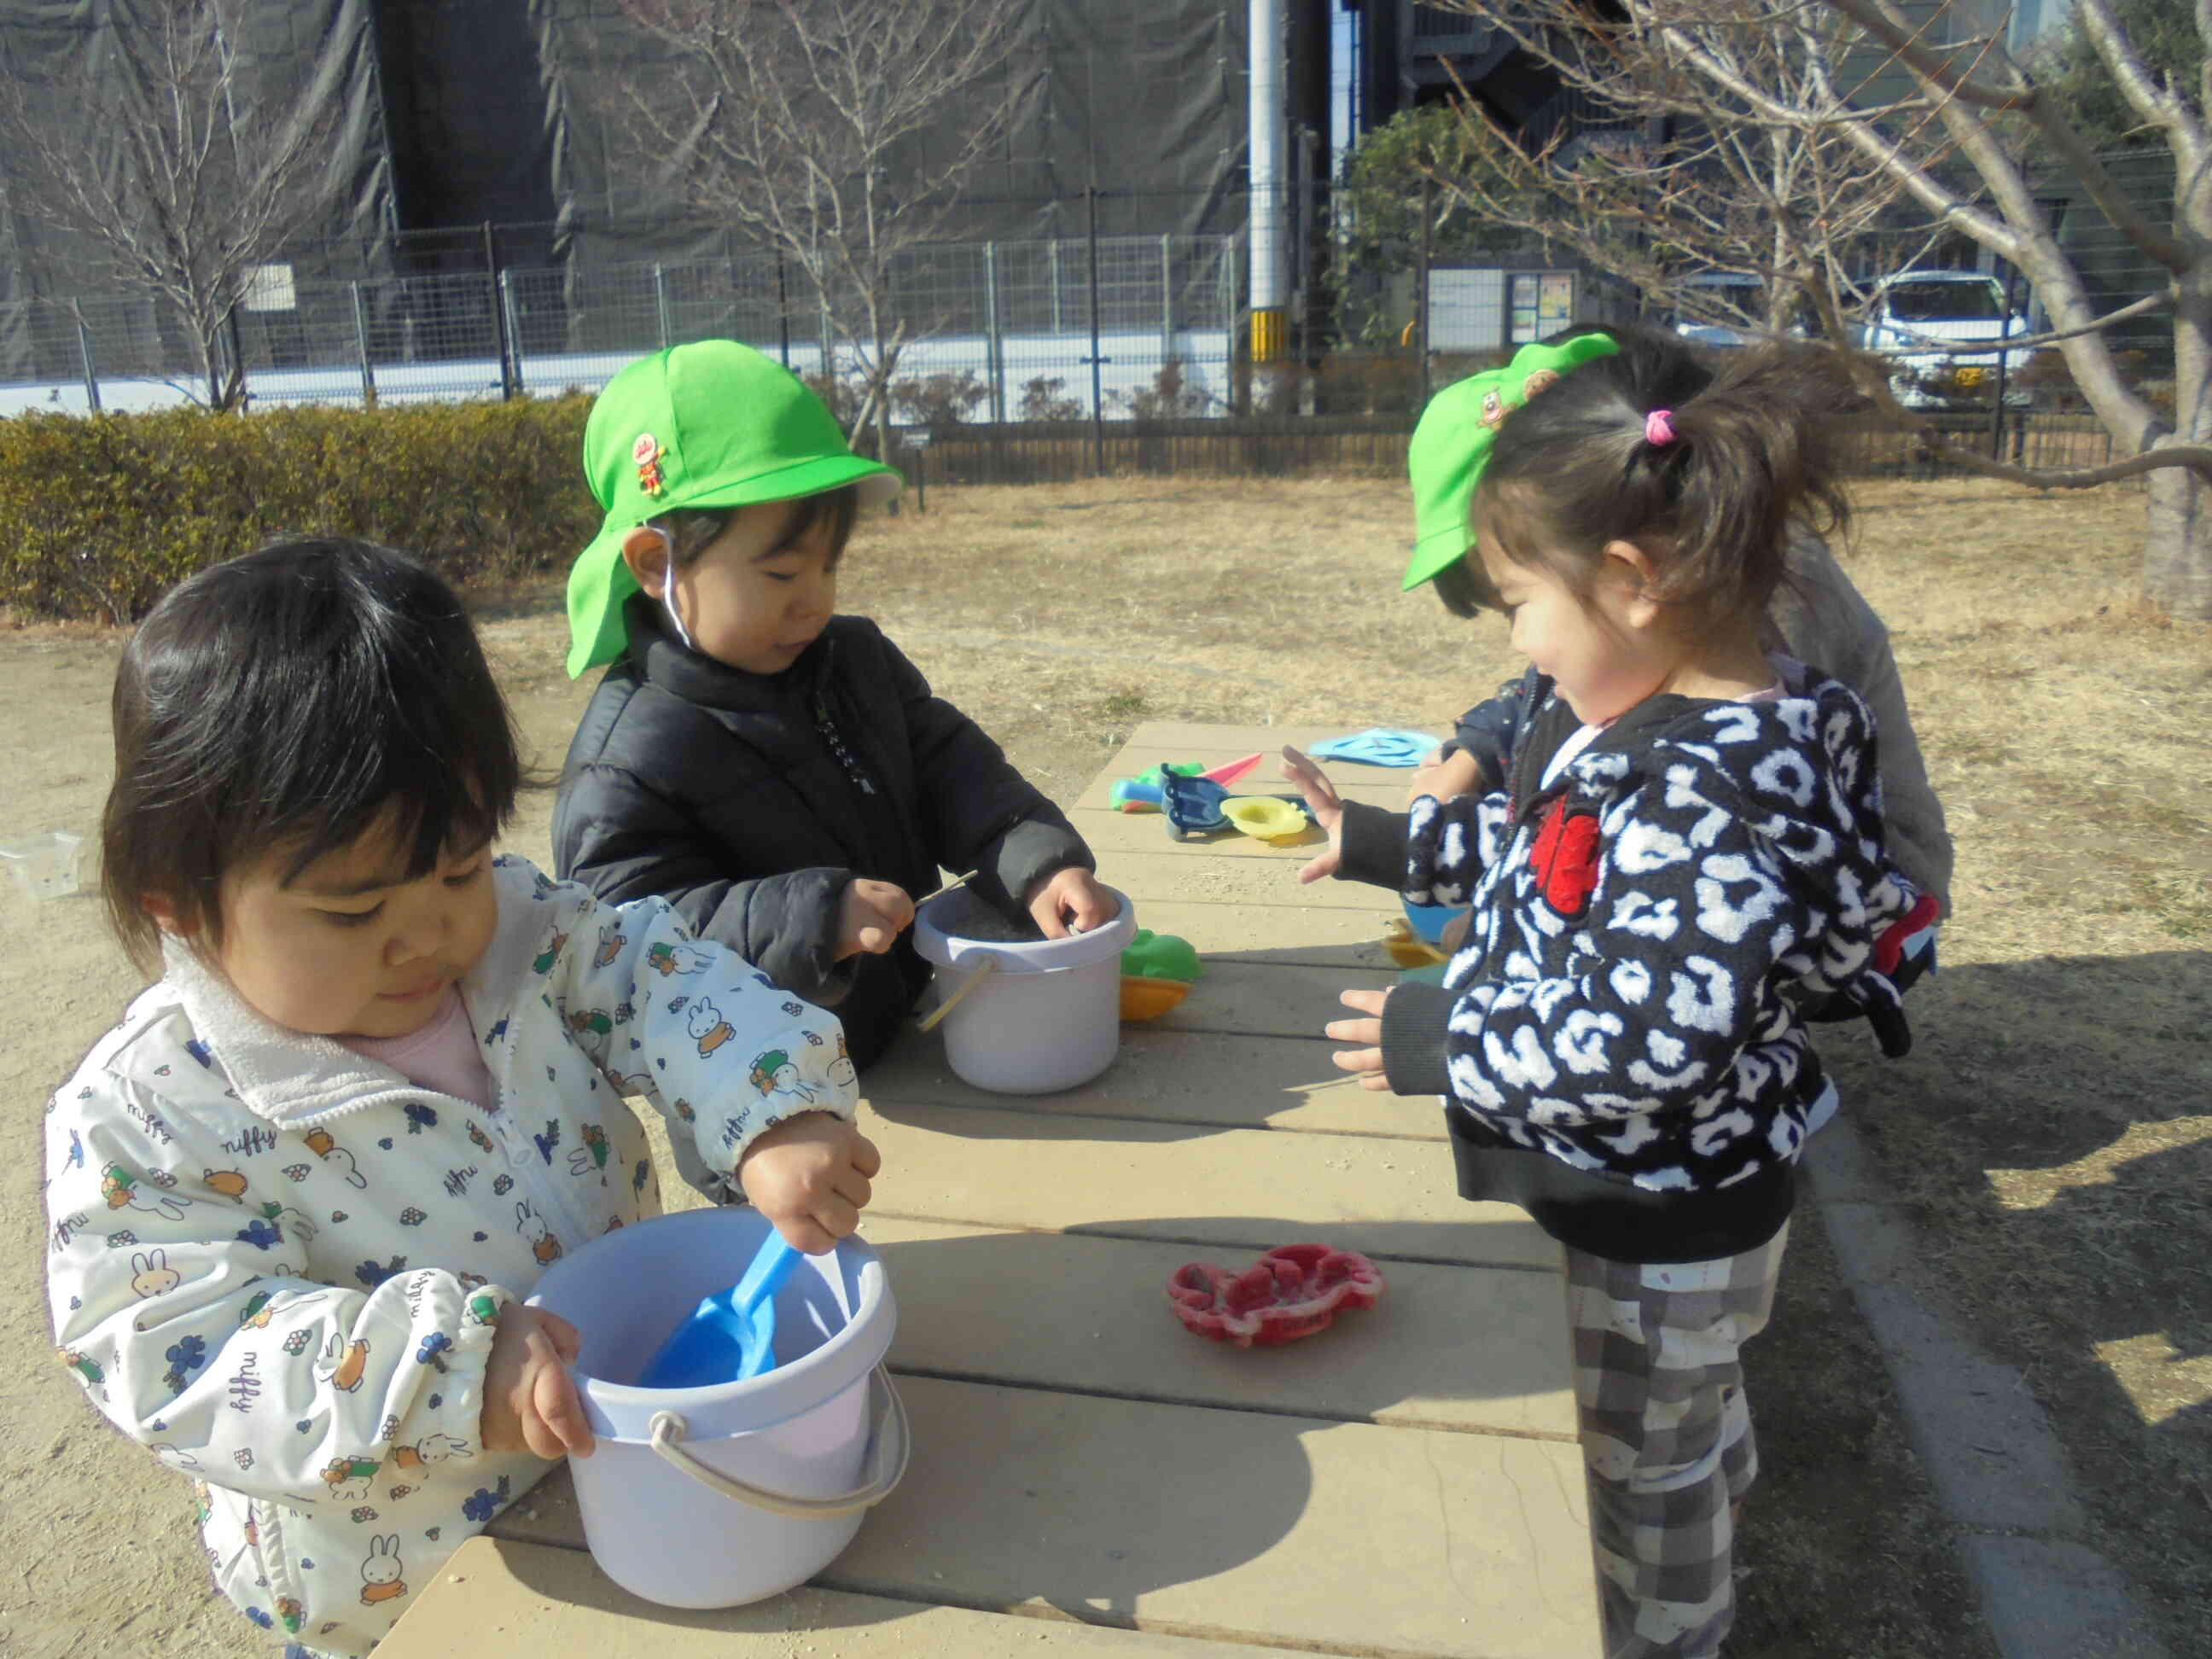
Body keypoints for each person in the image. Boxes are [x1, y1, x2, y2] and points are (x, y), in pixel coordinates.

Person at [44, 538, 877, 1659]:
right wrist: (449, 1373)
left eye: (458, 866)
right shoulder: (151, 1119)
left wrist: (772, 1108)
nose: (430, 933)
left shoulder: (524, 940)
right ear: (181, 905)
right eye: (352, 913)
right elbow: (180, 1353)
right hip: (405, 1577)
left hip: (643, 1457)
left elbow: (658, 976)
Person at [1283, 336, 1938, 1659]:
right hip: (1675, 1199)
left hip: (1662, 1215)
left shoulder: (1704, 791)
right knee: (1682, 1419)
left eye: (1522, 604)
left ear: (1632, 584)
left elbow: (1645, 1042)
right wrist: (1387, 843)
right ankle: (1713, 1468)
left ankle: (1671, 1633)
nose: (1517, 644)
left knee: (1645, 1477)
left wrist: (1445, 1037)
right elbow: (1559, 861)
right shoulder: (1671, 724)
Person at [554, 340, 1117, 1072]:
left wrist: (1037, 863)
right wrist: (814, 919)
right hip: (771, 1105)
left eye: (829, 567)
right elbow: (628, 948)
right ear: (658, 564)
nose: (815, 601)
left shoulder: (852, 661)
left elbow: (951, 769)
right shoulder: (630, 760)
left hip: (916, 1030)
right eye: (783, 571)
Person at [1402, 323, 1953, 919]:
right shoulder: (1665, 602)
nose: (1521, 639)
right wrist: (1477, 756)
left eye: (1517, 602)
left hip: (1865, 891)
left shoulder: (1743, 612)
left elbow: (1684, 880)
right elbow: (1544, 706)